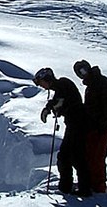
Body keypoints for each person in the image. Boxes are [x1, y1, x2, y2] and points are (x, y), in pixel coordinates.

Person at [33, 66, 91, 196]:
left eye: (41, 82)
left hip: (77, 125)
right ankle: (79, 187)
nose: (41, 86)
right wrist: (50, 107)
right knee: (74, 157)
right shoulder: (62, 85)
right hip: (76, 124)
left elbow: (59, 101)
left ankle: (73, 188)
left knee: (68, 157)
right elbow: (59, 101)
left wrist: (49, 108)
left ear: (47, 79)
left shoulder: (62, 84)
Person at [73, 59, 107, 194]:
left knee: (97, 157)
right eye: (79, 72)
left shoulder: (98, 84)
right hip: (95, 127)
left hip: (100, 128)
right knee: (91, 156)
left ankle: (99, 186)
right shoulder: (94, 84)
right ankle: (93, 184)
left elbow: (102, 107)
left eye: (83, 70)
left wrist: (101, 123)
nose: (82, 74)